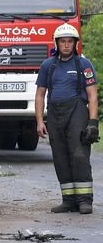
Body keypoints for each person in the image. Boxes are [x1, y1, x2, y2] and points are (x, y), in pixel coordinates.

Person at [35, 23, 99, 214]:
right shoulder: (48, 65)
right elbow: (40, 95)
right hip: (54, 116)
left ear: (75, 44)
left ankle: (85, 200)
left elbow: (92, 96)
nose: (66, 45)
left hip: (77, 113)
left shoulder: (83, 65)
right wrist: (39, 121)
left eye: (70, 41)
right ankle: (69, 200)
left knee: (79, 155)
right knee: (60, 157)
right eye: (62, 41)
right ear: (57, 43)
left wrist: (93, 124)